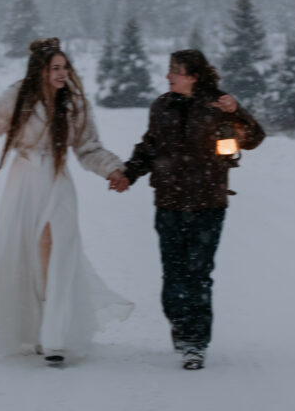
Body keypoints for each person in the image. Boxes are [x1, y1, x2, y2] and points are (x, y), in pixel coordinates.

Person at [0, 37, 133, 364]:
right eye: (55, 68)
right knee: (23, 253)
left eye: (65, 68)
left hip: (57, 183)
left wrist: (113, 170)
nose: (62, 74)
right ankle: (31, 329)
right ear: (41, 71)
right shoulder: (19, 96)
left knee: (59, 250)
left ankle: (55, 337)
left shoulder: (75, 105)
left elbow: (89, 148)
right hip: (24, 183)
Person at [111, 49, 265, 370]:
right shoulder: (161, 106)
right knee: (173, 278)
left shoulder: (219, 104)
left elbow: (253, 138)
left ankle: (195, 343)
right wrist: (129, 173)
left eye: (175, 71)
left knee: (198, 275)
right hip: (168, 204)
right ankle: (182, 329)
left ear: (194, 76)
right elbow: (149, 147)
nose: (168, 76)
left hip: (208, 204)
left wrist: (238, 113)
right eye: (169, 70)